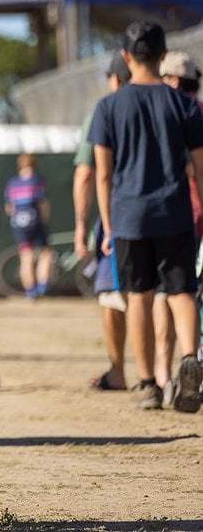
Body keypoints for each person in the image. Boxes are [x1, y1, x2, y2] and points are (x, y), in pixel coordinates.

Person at [90, 21, 202, 413]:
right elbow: (200, 168)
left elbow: (103, 174)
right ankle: (190, 358)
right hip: (175, 212)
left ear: (125, 57)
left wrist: (107, 223)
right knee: (181, 292)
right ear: (162, 55)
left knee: (139, 296)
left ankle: (151, 384)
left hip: (129, 216)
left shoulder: (108, 107)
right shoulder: (185, 105)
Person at [73, 53, 131, 391]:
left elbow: (86, 174)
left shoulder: (105, 109)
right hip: (172, 214)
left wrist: (83, 226)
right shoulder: (174, 102)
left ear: (113, 78)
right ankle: (161, 375)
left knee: (111, 294)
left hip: (120, 214)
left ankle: (119, 370)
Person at [155, 49, 203, 407]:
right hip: (190, 216)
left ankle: (163, 376)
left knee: (170, 295)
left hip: (179, 216)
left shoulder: (173, 115)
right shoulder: (195, 110)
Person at [3, 153, 54, 299]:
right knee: (46, 253)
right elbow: (43, 205)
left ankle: (30, 291)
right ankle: (43, 285)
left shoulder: (12, 184)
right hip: (35, 221)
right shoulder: (37, 182)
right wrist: (45, 221)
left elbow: (9, 208)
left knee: (26, 256)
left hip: (19, 224)